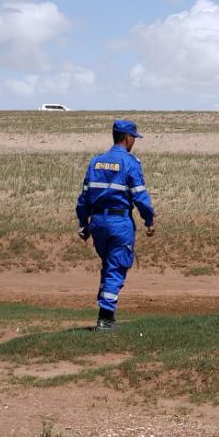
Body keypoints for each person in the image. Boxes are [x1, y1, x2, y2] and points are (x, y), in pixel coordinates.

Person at [75, 119, 156, 331]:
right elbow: (140, 197)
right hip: (119, 223)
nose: (134, 143)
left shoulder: (96, 162)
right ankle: (106, 319)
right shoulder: (130, 163)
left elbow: (84, 197)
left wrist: (83, 224)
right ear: (127, 137)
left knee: (108, 267)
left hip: (98, 223)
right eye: (134, 138)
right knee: (116, 268)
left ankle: (105, 314)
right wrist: (149, 220)